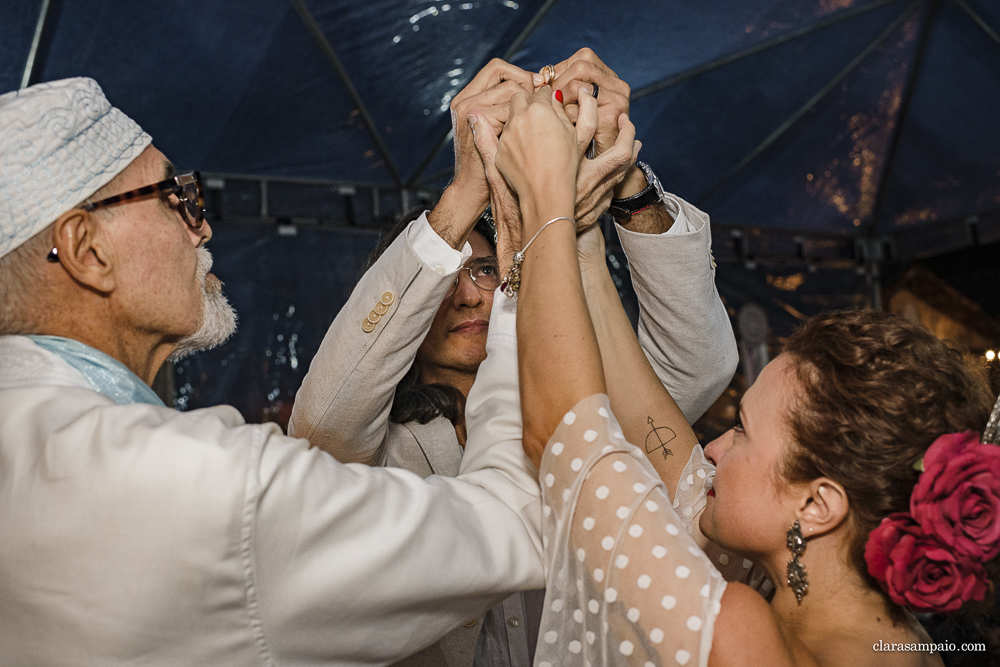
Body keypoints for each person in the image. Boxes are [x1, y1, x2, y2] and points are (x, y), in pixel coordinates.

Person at [0, 77, 547, 665]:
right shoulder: (199, 478)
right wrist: (530, 259)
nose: (201, 228)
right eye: (173, 198)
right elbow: (509, 525)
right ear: (87, 251)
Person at [469, 83, 999, 666]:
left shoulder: (743, 634)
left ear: (819, 505)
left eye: (743, 431)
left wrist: (544, 200)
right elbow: (662, 445)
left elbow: (566, 438)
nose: (714, 447)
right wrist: (583, 229)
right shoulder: (903, 641)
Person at [288, 52, 739, 666]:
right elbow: (323, 423)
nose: (473, 292)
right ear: (413, 312)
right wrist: (464, 194)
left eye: (485, 266)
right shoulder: (388, 450)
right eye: (450, 277)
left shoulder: (583, 405)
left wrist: (625, 182)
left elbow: (700, 364)